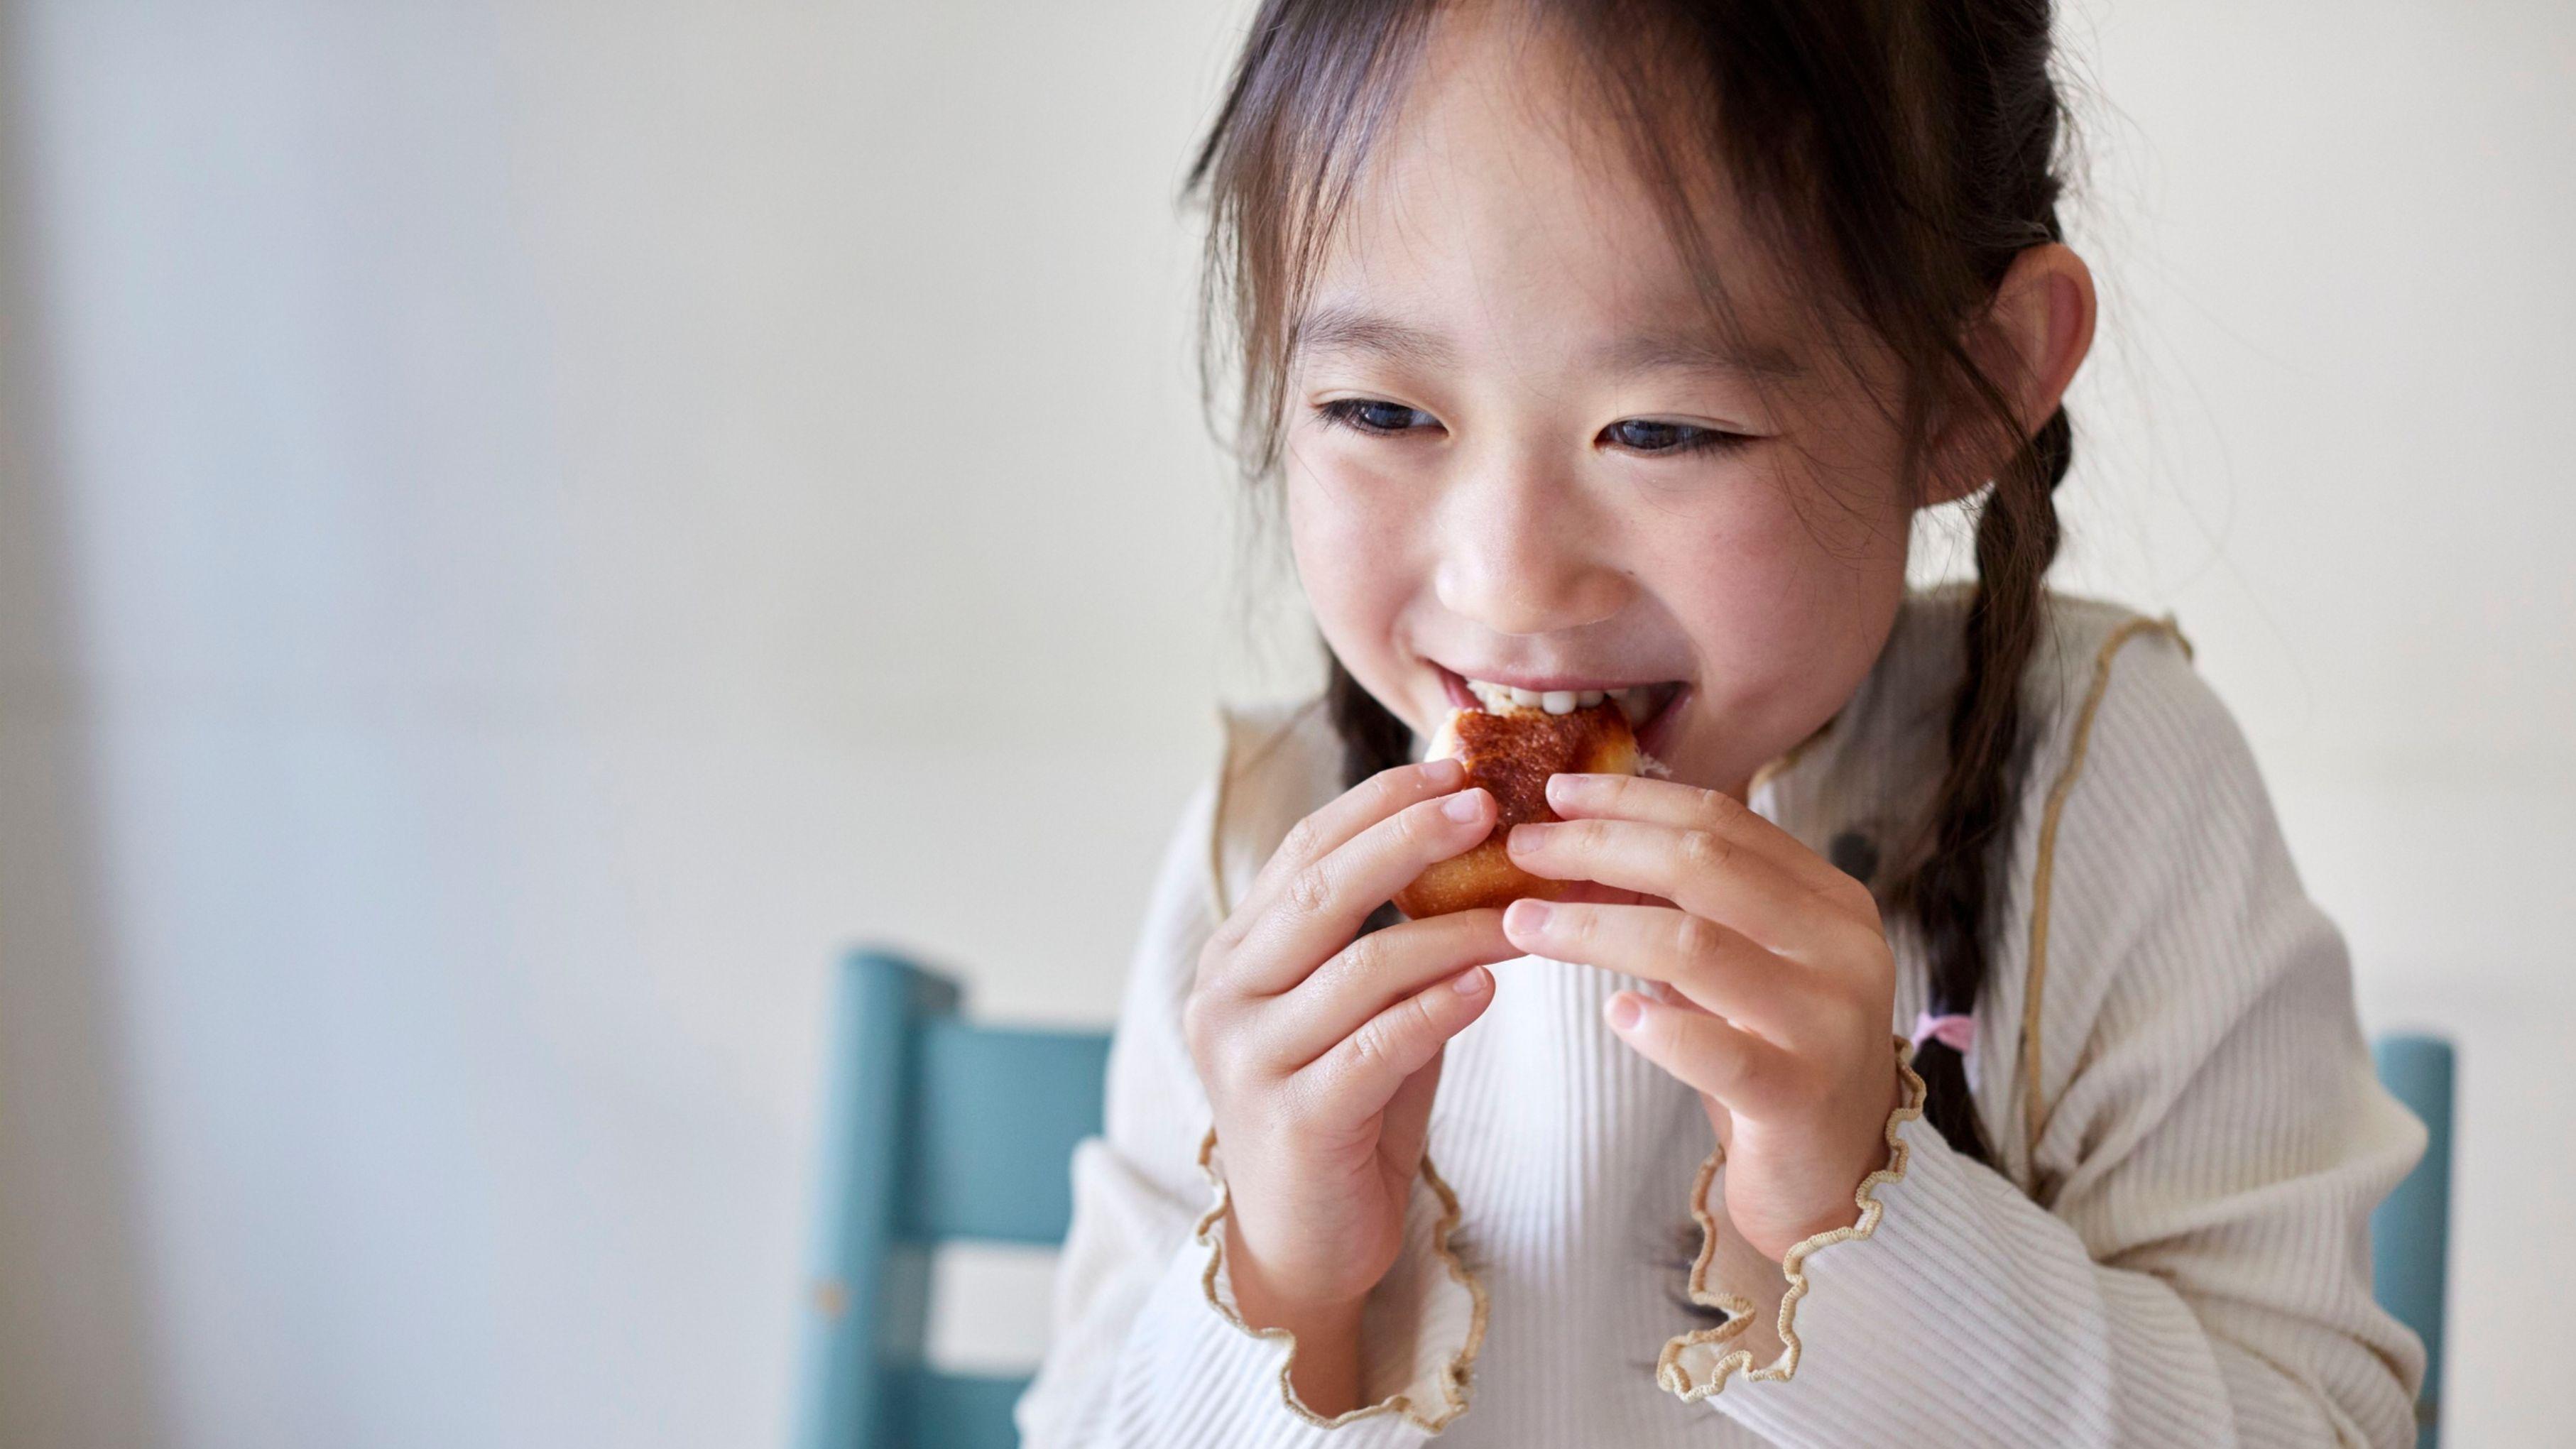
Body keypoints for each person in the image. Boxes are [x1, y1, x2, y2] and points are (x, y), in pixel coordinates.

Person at [1017, 1, 2425, 1443]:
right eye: (1378, 410)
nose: (1506, 577)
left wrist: (1851, 1211)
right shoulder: (1265, 847)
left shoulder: (2104, 782)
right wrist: (1283, 1276)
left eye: (1663, 429)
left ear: (1970, 383)